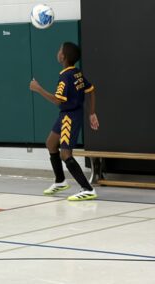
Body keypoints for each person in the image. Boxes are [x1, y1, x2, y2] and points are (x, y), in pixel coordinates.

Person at [29, 42, 99, 201]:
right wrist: (92, 113)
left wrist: (38, 88)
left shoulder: (65, 77)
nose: (58, 52)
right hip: (67, 114)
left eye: (60, 50)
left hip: (70, 117)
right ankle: (60, 181)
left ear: (63, 56)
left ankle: (87, 189)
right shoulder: (76, 73)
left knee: (65, 153)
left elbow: (58, 100)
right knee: (51, 143)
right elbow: (91, 90)